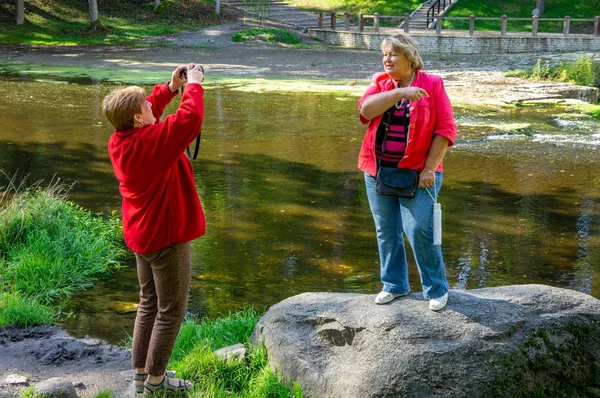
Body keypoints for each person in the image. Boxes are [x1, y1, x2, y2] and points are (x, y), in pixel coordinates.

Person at [102, 63, 206, 395]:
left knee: (148, 302)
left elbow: (149, 114)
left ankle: (140, 374)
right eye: (145, 104)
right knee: (171, 310)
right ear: (136, 118)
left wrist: (169, 88)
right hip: (165, 237)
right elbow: (189, 120)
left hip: (141, 235)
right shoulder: (150, 143)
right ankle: (156, 381)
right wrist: (194, 87)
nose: (151, 104)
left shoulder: (121, 140)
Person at [357, 33, 457, 311]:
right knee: (386, 230)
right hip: (377, 170)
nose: (386, 59)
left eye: (393, 54)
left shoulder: (433, 84)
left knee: (419, 230)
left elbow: (445, 129)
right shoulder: (380, 83)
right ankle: (394, 285)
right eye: (384, 55)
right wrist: (399, 92)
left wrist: (429, 169)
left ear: (410, 59)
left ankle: (436, 289)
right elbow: (365, 111)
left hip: (419, 173)